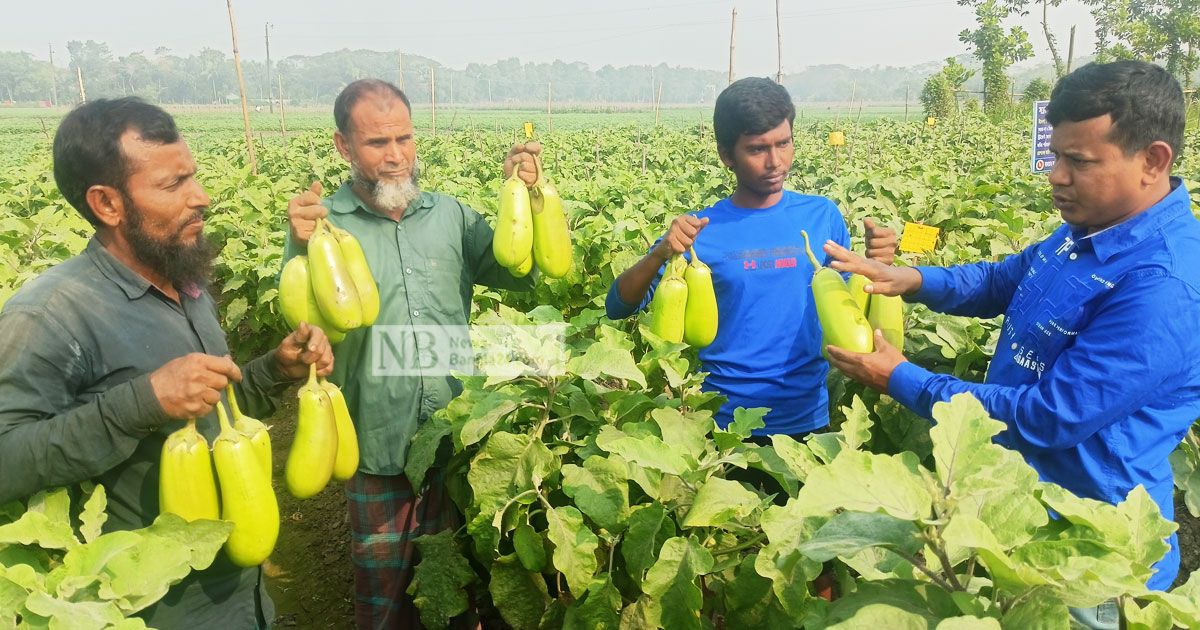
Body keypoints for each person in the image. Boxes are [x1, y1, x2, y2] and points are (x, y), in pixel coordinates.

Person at [824, 61, 1200, 625]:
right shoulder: (1090, 229)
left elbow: (1052, 417)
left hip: (1088, 558)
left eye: (1079, 161)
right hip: (1021, 517)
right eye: (1055, 155)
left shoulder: (1164, 284)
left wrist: (903, 379)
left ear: (1153, 160)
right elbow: (1006, 279)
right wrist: (914, 279)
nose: (1055, 175)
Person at [0, 97, 334, 628]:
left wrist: (275, 370)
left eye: (193, 178)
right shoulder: (48, 316)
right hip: (148, 607)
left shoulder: (185, 280)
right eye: (173, 185)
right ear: (107, 204)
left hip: (240, 593)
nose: (200, 198)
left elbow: (210, 411)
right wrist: (140, 403)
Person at [283, 78, 539, 629]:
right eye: (377, 143)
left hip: (454, 430)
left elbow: (519, 271)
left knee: (458, 580)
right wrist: (296, 245)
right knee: (384, 592)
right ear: (343, 147)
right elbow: (303, 324)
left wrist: (525, 196)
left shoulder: (452, 216)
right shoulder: (323, 229)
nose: (396, 156)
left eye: (404, 138)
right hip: (377, 437)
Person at [605, 76, 898, 439]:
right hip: (724, 426)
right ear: (727, 155)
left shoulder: (823, 216)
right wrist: (661, 252)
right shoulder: (700, 230)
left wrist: (877, 265)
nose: (775, 161)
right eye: (757, 149)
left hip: (807, 419)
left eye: (784, 143)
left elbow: (847, 310)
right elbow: (618, 305)